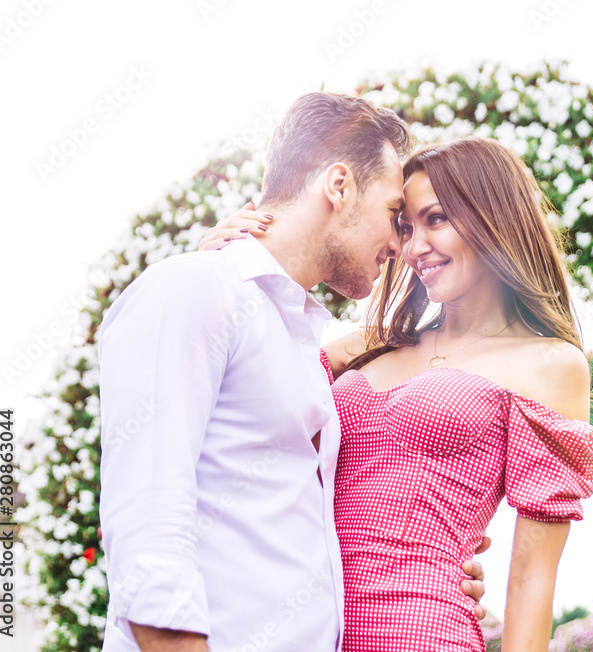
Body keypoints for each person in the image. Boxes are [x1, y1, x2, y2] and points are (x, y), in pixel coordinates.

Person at [98, 92, 485, 652]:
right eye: (392, 214)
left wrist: (430, 563)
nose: (402, 245)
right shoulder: (193, 289)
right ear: (339, 185)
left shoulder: (293, 338)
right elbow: (149, 536)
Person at [200, 136, 593, 651]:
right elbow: (237, 403)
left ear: (494, 216)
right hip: (298, 628)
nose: (413, 249)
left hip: (422, 632)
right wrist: (222, 267)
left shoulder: (549, 366)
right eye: (405, 228)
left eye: (436, 220)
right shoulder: (369, 345)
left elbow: (531, 578)